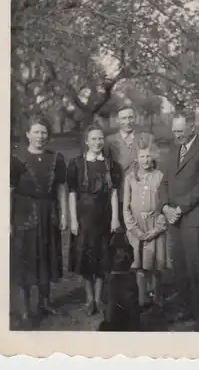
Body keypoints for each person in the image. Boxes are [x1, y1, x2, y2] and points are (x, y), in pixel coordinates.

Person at [158, 112, 199, 331]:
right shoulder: (174, 149)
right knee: (179, 266)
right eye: (174, 131)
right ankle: (186, 307)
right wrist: (164, 207)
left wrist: (179, 208)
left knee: (196, 266)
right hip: (174, 217)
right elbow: (164, 181)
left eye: (180, 131)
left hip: (195, 216)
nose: (177, 135)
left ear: (192, 127)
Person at [10, 115, 68, 325]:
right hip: (24, 214)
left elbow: (61, 188)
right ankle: (25, 307)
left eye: (44, 132)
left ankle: (44, 302)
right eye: (36, 132)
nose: (40, 136)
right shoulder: (16, 160)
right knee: (26, 259)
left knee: (47, 256)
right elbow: (10, 190)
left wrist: (63, 214)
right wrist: (8, 219)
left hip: (48, 213)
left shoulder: (56, 159)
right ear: (27, 134)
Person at [67, 124, 121, 316]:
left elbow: (114, 192)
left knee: (101, 257)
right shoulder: (76, 163)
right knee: (85, 257)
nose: (98, 142)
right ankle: (89, 299)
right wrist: (73, 220)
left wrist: (115, 218)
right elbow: (72, 193)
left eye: (100, 138)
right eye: (94, 139)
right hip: (84, 217)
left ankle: (99, 299)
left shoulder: (110, 164)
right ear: (87, 141)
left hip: (104, 216)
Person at [123, 141, 169, 309]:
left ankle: (156, 296)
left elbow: (165, 203)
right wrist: (134, 229)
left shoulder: (160, 176)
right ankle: (142, 297)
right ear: (136, 157)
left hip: (154, 226)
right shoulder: (129, 178)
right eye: (142, 156)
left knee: (155, 265)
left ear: (154, 157)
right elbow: (125, 207)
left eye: (148, 156)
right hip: (137, 228)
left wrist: (157, 229)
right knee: (139, 265)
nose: (145, 160)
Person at [105, 105, 154, 226]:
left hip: (142, 196)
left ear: (135, 118)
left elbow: (154, 168)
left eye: (131, 117)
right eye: (124, 118)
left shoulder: (146, 138)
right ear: (118, 120)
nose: (128, 122)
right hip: (119, 196)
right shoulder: (109, 141)